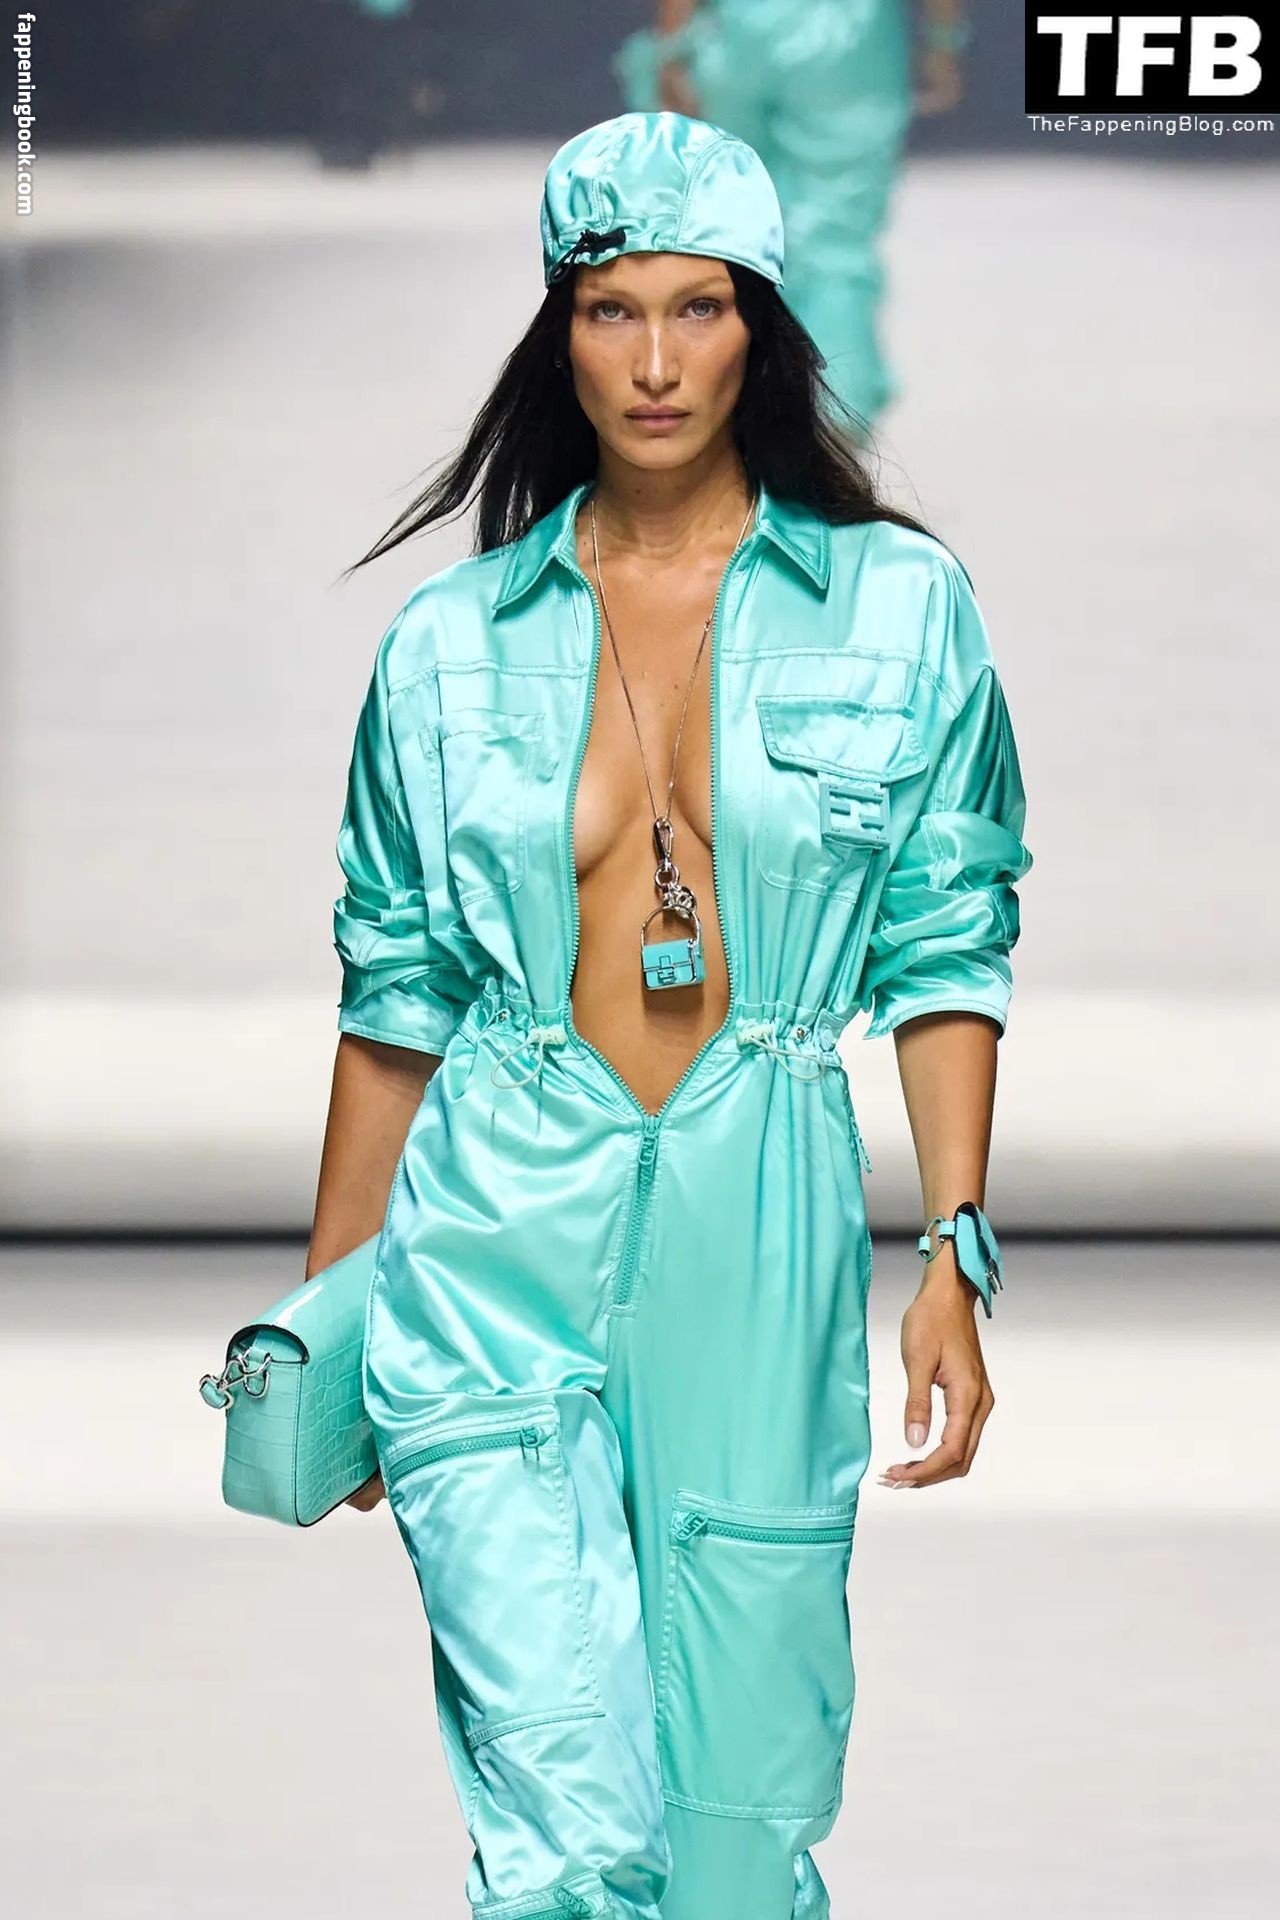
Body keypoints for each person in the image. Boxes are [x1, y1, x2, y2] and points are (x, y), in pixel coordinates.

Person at [307, 111, 1030, 1920]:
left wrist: (954, 1249)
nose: (652, 361)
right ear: (556, 333)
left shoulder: (900, 610)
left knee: (733, 1836)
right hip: (492, 1230)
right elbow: (396, 990)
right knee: (565, 1826)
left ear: (758, 330)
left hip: (760, 1220)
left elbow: (948, 938)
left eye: (697, 310)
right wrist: (331, 1317)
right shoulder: (448, 643)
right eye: (609, 311)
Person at [616, 1, 972, 436]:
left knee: (726, 225)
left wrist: (672, 47)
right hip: (849, 45)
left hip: (737, 34)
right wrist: (942, 41)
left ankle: (719, 396)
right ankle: (837, 404)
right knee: (835, 239)